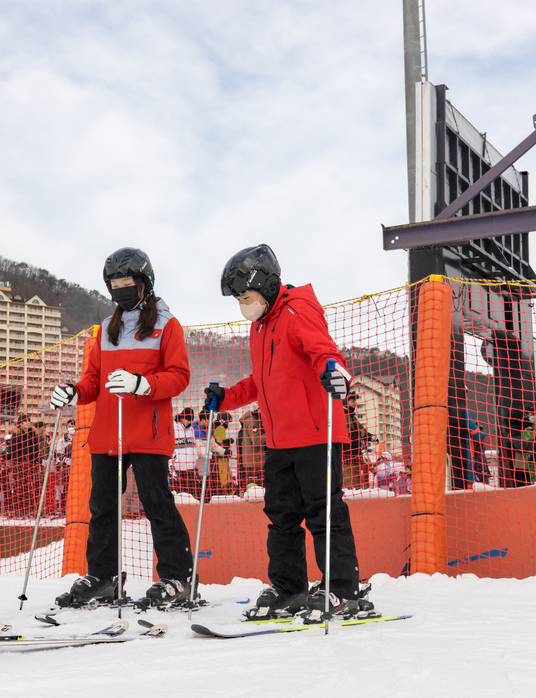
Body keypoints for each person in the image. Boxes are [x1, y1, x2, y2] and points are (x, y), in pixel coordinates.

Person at [205, 244, 371, 622]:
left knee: (324, 513)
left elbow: (323, 351)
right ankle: (289, 587)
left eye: (245, 297)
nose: (242, 305)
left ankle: (343, 589)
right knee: (281, 516)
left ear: (264, 285)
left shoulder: (297, 308)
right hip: (278, 440)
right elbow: (262, 381)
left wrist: (335, 371)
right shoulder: (260, 326)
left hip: (314, 433)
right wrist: (227, 396)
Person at [50, 247, 194, 607]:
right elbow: (92, 383)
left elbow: (179, 376)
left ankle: (177, 577)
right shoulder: (105, 332)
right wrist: (72, 392)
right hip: (107, 434)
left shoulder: (166, 326)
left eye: (127, 284)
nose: (120, 291)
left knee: (156, 504)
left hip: (148, 432)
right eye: (114, 285)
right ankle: (103, 576)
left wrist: (143, 384)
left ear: (145, 283)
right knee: (102, 509)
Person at [344, 391, 377, 490]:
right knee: (349, 486)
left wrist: (370, 437)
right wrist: (359, 433)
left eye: (355, 400)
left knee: (357, 486)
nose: (355, 403)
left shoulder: (353, 417)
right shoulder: (342, 415)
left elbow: (362, 431)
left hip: (355, 457)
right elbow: (346, 433)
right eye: (352, 400)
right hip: (345, 457)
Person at [170, 407, 201, 499]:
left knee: (192, 492)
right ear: (182, 418)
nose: (188, 422)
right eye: (186, 419)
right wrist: (171, 464)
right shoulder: (173, 427)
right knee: (176, 492)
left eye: (190, 420)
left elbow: (193, 446)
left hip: (190, 467)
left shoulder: (192, 429)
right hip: (177, 466)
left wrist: (195, 460)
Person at [236, 408, 266, 489]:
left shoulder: (256, 420)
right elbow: (256, 440)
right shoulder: (252, 421)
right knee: (255, 490)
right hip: (253, 463)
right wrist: (270, 433)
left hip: (256, 462)